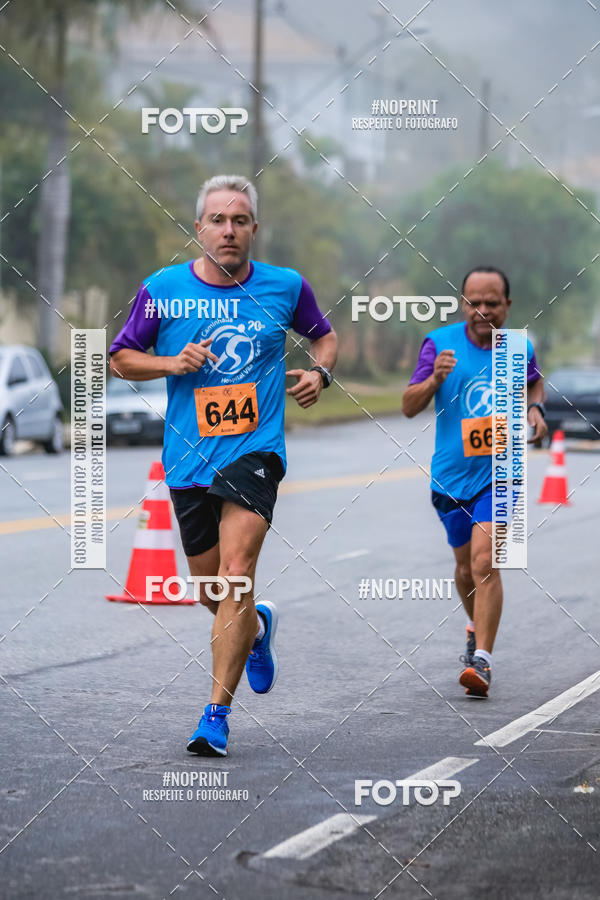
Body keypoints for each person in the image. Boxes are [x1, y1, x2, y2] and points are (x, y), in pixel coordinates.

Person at [109, 174, 337, 753]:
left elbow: (324, 337)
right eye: (218, 220)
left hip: (255, 452)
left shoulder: (286, 287)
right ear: (199, 228)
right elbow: (120, 359)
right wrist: (170, 362)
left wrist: (320, 373)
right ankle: (256, 627)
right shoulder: (162, 289)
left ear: (254, 228)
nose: (228, 230)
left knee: (236, 572)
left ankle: (215, 715)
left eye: (239, 221)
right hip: (188, 460)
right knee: (213, 592)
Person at [402, 267, 547, 697]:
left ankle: (482, 661)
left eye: (492, 303)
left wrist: (535, 409)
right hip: (450, 478)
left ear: (508, 305)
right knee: (465, 570)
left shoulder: (519, 347)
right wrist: (434, 379)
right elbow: (408, 406)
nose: (483, 311)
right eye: (474, 302)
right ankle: (474, 625)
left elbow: (534, 383)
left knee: (485, 563)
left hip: (500, 474)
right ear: (463, 303)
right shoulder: (439, 344)